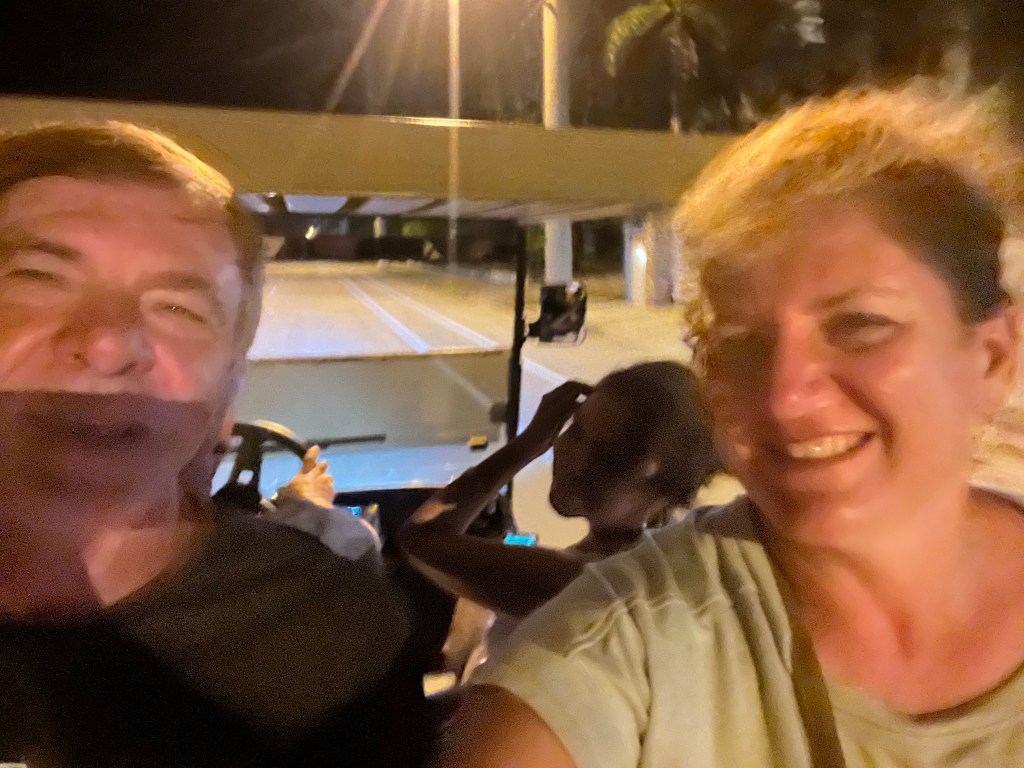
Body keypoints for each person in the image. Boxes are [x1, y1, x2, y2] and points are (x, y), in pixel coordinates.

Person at [442, 83, 1024, 767]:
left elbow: (427, 539)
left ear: (991, 359)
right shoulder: (618, 645)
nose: (784, 398)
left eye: (860, 324)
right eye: (742, 344)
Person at [0, 122, 418, 767]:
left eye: (178, 309)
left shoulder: (336, 638)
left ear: (228, 392)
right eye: (37, 276)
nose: (108, 345)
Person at [399, 361, 720, 675]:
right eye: (575, 429)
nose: (571, 455)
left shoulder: (594, 580)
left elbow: (422, 538)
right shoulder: (658, 561)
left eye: (607, 457)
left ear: (662, 486)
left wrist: (527, 444)